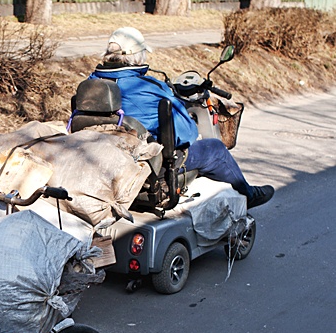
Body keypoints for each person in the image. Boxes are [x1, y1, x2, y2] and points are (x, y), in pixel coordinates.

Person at [86, 26, 274, 209]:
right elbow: (187, 134)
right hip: (151, 167)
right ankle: (248, 195)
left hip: (99, 159)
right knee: (215, 149)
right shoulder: (149, 88)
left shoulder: (90, 85)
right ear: (138, 56)